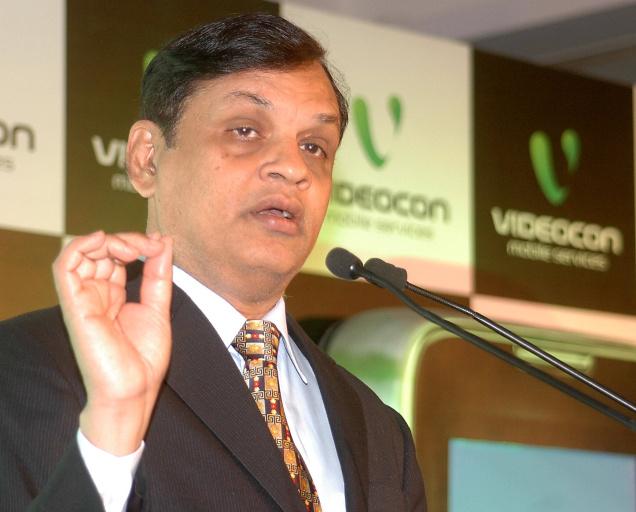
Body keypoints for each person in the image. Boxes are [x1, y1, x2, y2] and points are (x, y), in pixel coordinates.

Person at [0, 13, 426, 512]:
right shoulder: (29, 366)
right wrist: (112, 427)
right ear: (146, 158)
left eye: (314, 146)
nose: (293, 168)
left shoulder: (380, 428)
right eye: (245, 130)